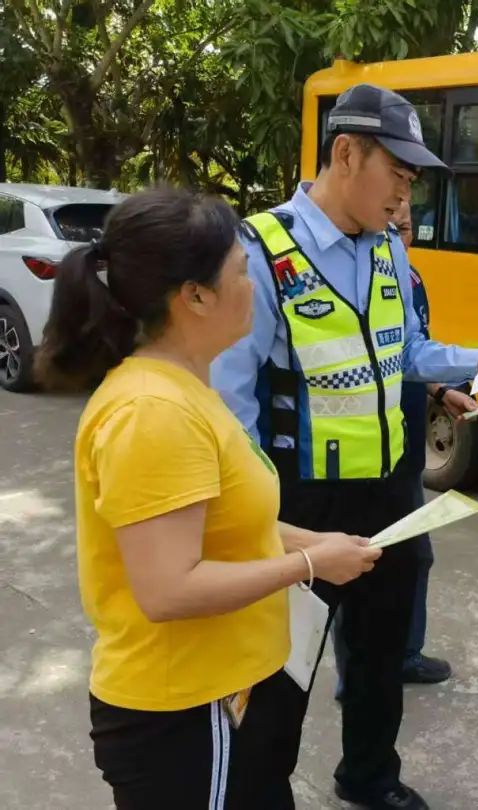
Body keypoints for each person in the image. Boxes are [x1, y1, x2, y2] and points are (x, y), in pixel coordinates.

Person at [211, 84, 478, 810]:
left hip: (389, 493)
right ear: (346, 153)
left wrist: (477, 360)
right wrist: (254, 519)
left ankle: (369, 777)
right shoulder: (262, 250)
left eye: (412, 179)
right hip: (300, 500)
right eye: (398, 174)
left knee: (381, 654)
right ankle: (259, 793)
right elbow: (231, 401)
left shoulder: (386, 251)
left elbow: (404, 349)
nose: (405, 195)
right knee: (280, 666)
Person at [33, 187, 381, 809]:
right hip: (187, 713)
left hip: (228, 692)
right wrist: (308, 564)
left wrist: (313, 541)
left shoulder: (189, 387)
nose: (255, 288)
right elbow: (169, 589)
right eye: (242, 273)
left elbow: (224, 523)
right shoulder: (154, 412)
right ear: (194, 296)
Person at [331, 199, 478, 690]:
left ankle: (402, 656)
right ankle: (358, 675)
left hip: (407, 442)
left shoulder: (410, 279)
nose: (399, 234)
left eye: (408, 226)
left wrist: (442, 391)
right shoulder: (353, 285)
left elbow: (410, 353)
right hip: (368, 449)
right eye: (392, 225)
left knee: (412, 559)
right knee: (361, 565)